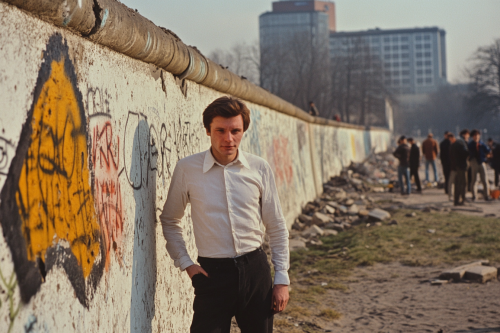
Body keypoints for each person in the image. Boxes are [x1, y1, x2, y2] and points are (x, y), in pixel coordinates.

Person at [160, 97, 289, 332]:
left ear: (243, 131)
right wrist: (186, 264)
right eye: (220, 130)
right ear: (208, 130)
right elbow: (170, 220)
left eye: (235, 131)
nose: (228, 139)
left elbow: (276, 226)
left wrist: (281, 278)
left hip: (255, 272)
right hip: (212, 275)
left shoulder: (259, 168)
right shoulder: (187, 169)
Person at [468, 129, 491, 201]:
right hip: (474, 162)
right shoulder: (470, 145)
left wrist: (487, 157)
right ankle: (474, 195)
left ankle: (486, 195)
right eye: (475, 135)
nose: (476, 137)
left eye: (478, 135)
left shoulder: (481, 144)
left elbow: (488, 151)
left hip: (482, 162)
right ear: (473, 136)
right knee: (474, 180)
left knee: (484, 180)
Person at [450, 129, 470, 206]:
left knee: (457, 184)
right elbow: (465, 153)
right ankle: (463, 200)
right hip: (462, 166)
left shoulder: (456, 142)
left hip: (457, 166)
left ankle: (456, 200)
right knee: (463, 183)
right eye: (468, 135)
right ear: (465, 134)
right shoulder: (462, 143)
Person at [447, 133, 457, 200]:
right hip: (455, 166)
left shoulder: (454, 145)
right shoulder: (453, 145)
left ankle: (451, 196)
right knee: (452, 182)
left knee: (451, 182)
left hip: (454, 167)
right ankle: (451, 196)